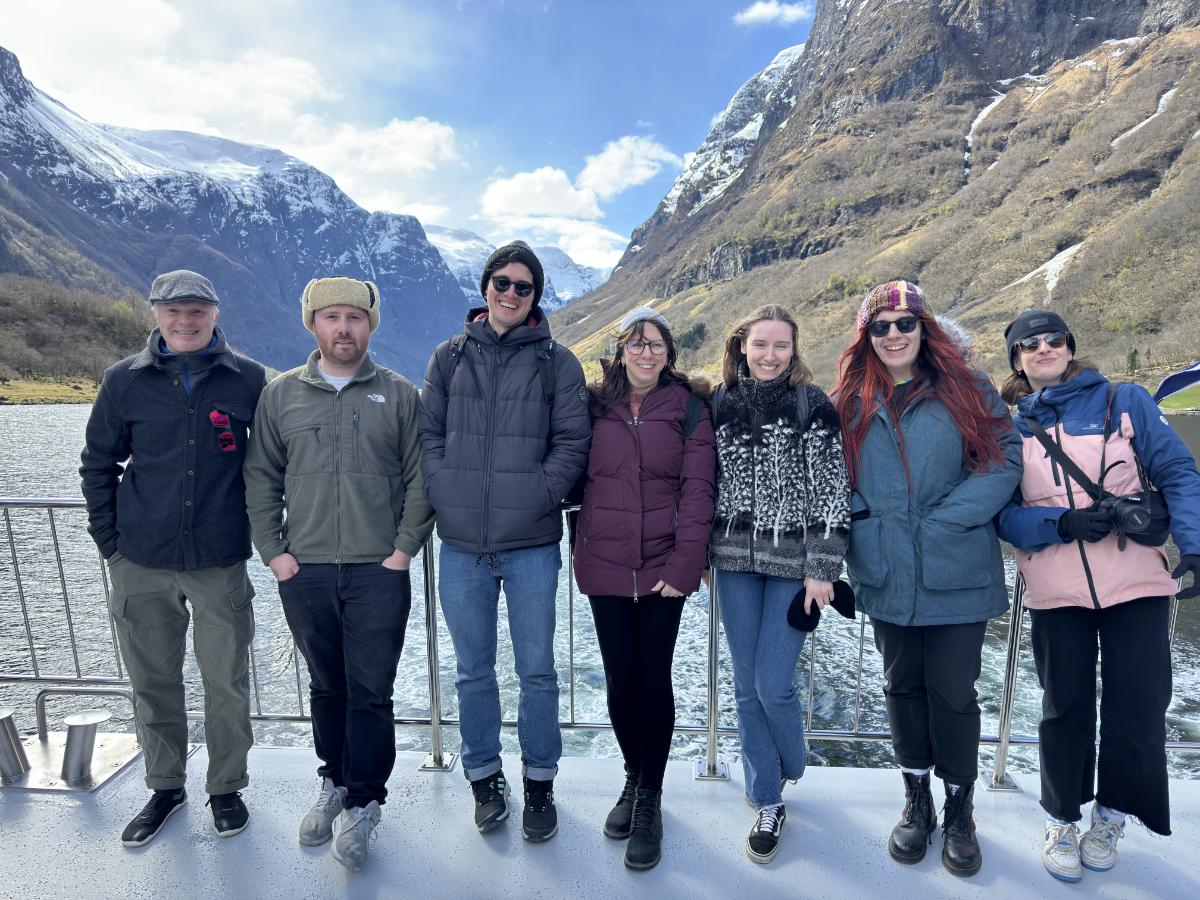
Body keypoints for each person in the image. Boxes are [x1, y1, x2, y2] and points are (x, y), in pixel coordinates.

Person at [995, 309, 1200, 883]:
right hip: (1057, 592)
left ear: (1069, 345)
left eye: (1052, 339)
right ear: (1016, 361)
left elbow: (1179, 472)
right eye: (1028, 345)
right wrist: (1058, 525)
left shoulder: (1125, 401)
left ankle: (1110, 816)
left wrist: (1196, 544)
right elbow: (1004, 518)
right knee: (1064, 709)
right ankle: (1062, 818)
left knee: (1138, 705)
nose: (1042, 349)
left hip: (1137, 583)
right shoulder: (1009, 431)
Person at [243, 277, 433, 872]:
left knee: (372, 692)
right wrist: (276, 554)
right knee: (327, 687)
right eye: (331, 317)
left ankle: (365, 801)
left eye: (354, 316)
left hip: (380, 570)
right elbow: (260, 478)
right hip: (306, 571)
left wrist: (403, 550)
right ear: (312, 325)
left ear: (370, 326)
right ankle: (333, 781)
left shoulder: (400, 395)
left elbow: (419, 478)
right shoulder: (280, 397)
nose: (343, 327)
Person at [831, 281, 1021, 877]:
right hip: (884, 569)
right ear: (867, 335)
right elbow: (832, 473)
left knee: (953, 692)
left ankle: (960, 811)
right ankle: (917, 803)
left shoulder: (967, 387)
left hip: (954, 568)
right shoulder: (849, 400)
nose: (894, 335)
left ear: (923, 329)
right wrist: (862, 517)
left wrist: (945, 520)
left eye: (905, 323)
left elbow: (1003, 458)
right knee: (902, 687)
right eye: (881, 326)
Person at [80, 270, 266, 847]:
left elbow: (273, 466)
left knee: (227, 683)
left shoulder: (251, 380)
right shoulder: (123, 382)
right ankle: (164, 786)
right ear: (154, 314)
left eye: (197, 311)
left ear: (215, 314)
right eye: (173, 311)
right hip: (140, 558)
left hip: (218, 559)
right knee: (153, 681)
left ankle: (226, 787)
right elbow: (98, 465)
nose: (185, 321)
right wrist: (111, 546)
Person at [419, 241, 590, 842]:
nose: (511, 294)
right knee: (473, 672)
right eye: (502, 282)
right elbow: (428, 438)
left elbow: (573, 444)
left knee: (538, 670)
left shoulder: (557, 363)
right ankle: (485, 780)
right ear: (485, 285)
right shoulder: (448, 358)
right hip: (462, 543)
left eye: (523, 286)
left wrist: (539, 494)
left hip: (532, 545)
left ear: (535, 296)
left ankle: (540, 783)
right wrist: (445, 489)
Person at [572, 306, 716, 869]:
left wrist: (685, 567)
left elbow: (699, 491)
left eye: (657, 344)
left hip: (662, 570)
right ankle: (633, 777)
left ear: (669, 353)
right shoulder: (592, 406)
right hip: (605, 565)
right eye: (637, 343)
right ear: (620, 349)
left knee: (653, 680)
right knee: (619, 679)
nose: (647, 352)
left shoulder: (690, 410)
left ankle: (650, 798)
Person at [709, 304, 851, 864]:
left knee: (773, 685)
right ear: (741, 346)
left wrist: (824, 568)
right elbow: (707, 481)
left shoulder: (811, 406)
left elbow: (832, 488)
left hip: (795, 567)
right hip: (734, 562)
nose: (770, 356)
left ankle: (792, 760)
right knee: (745, 687)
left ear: (795, 350)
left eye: (781, 346)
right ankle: (768, 796)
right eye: (760, 345)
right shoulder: (719, 403)